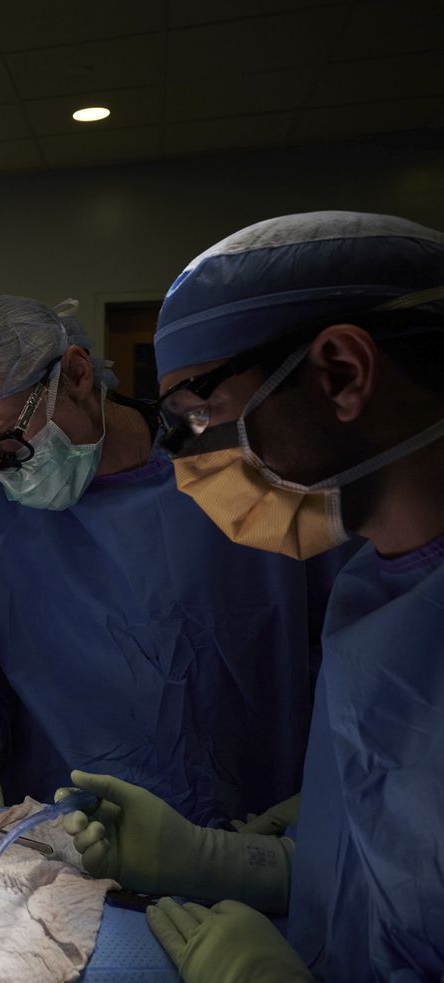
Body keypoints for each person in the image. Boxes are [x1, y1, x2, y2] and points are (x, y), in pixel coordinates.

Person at [57, 211, 444, 981]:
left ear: (341, 372)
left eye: (201, 414)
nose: (192, 460)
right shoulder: (376, 591)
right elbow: (389, 881)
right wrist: (225, 862)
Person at [0, 296, 345, 827]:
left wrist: (314, 808)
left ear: (76, 374)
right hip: (70, 835)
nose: (2, 473)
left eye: (8, 443)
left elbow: (339, 644)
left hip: (249, 832)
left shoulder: (243, 482)